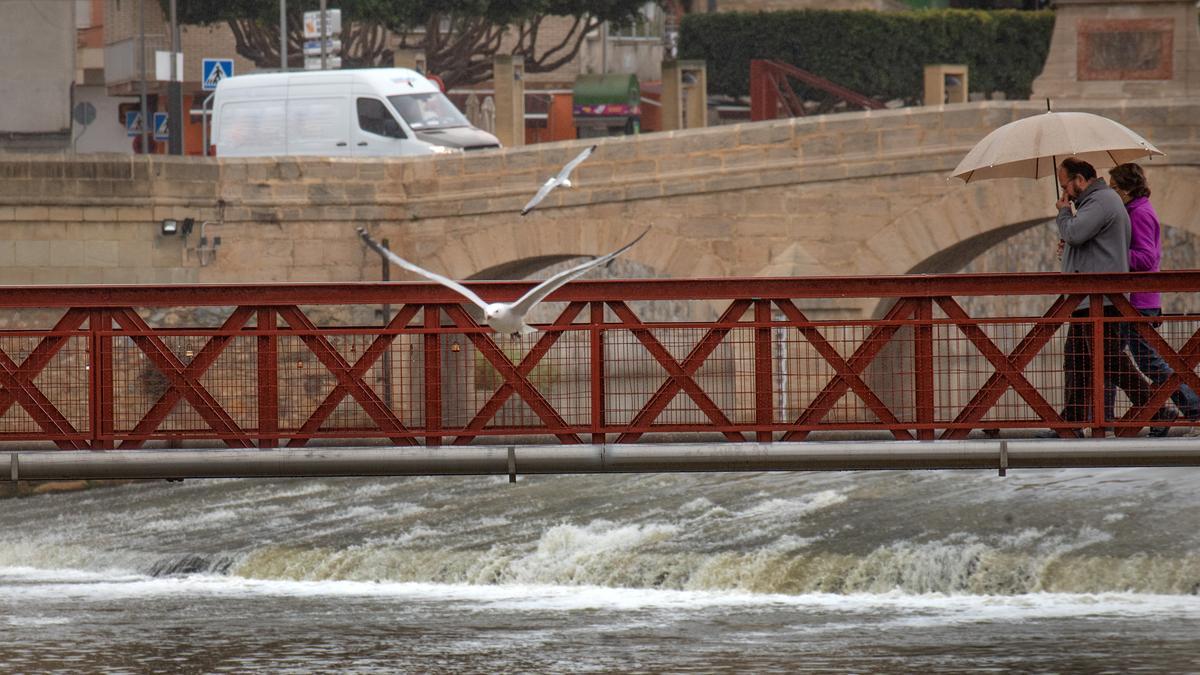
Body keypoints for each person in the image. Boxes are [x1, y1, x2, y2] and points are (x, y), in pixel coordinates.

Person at [1046, 157, 1170, 438]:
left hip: (1101, 300)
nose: (1064, 192)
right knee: (1077, 359)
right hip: (1088, 299)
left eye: (1065, 185)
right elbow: (1084, 242)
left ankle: (1157, 409)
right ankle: (1072, 422)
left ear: (1080, 180)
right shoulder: (1095, 204)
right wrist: (1069, 246)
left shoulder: (1101, 201)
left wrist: (1064, 213)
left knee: (1111, 360)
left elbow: (1076, 234)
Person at [1102, 162, 1200, 436]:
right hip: (1132, 301)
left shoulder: (1140, 213)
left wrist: (1115, 254)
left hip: (1139, 302)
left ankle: (1193, 409)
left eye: (1115, 189)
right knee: (1111, 357)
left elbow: (1147, 258)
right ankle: (1116, 416)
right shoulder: (1133, 210)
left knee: (1147, 361)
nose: (1113, 194)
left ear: (1129, 189)